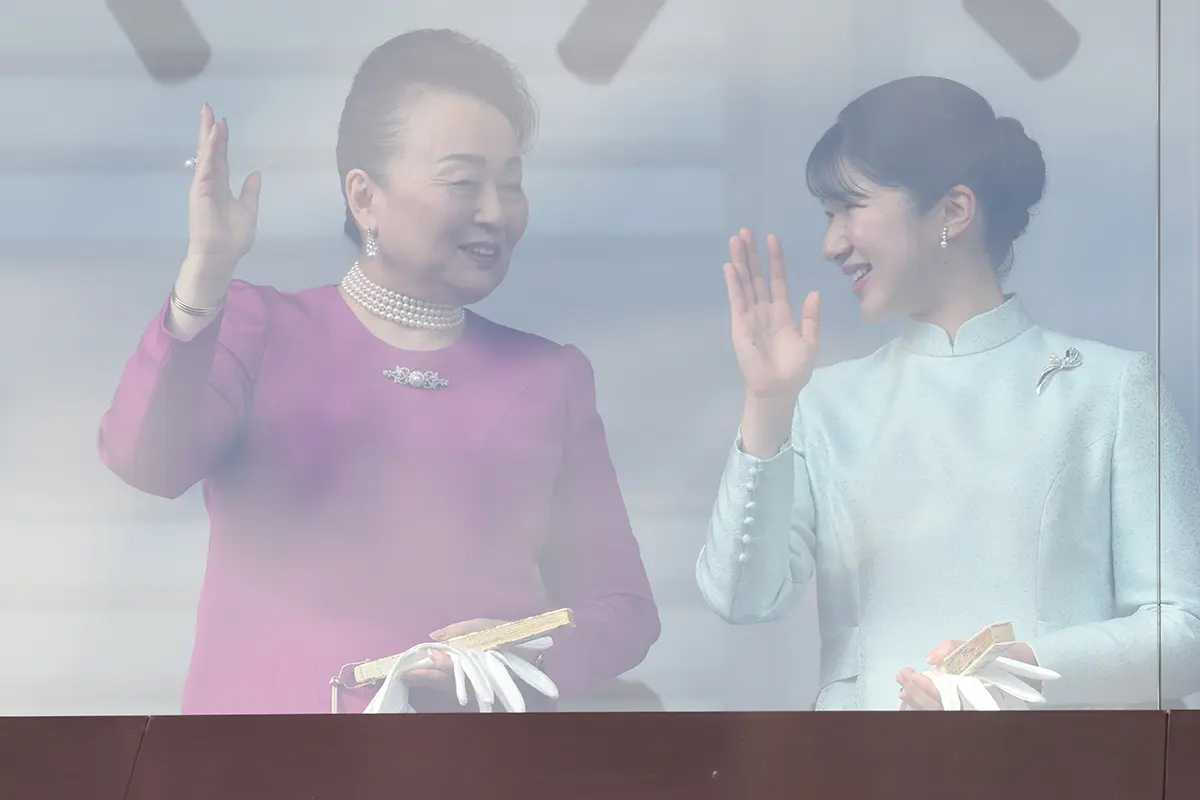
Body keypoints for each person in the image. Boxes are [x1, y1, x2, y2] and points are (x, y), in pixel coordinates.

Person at [98, 29, 660, 715]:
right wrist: (205, 274)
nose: (495, 211)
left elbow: (622, 607)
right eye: (463, 182)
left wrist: (522, 656)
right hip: (257, 759)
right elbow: (146, 460)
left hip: (476, 760)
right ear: (365, 197)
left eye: (510, 184)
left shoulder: (549, 378)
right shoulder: (256, 328)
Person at [695, 76, 1200, 711]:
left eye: (850, 207)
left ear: (954, 212)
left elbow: (1185, 632)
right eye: (827, 216)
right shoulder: (824, 404)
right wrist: (767, 403)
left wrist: (1017, 675)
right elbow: (742, 599)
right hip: (866, 759)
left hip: (1053, 759)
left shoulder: (1109, 390)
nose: (831, 244)